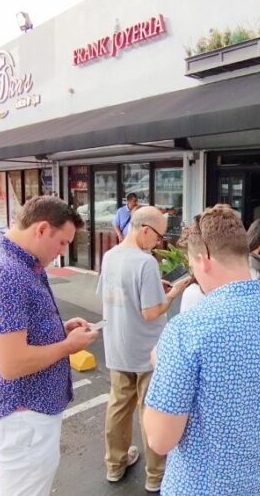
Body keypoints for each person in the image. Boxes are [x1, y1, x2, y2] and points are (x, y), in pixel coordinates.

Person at [143, 205, 260, 495]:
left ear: (204, 259)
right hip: (258, 485)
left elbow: (160, 439)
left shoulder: (186, 330)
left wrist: (164, 365)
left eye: (192, 266)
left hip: (196, 487)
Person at [0, 196, 101, 496]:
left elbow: (19, 332)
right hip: (23, 412)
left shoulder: (18, 264)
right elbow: (11, 363)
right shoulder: (7, 274)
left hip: (26, 411)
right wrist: (67, 346)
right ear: (41, 229)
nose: (63, 251)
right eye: (63, 242)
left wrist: (58, 331)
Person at [98, 206, 190, 493]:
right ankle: (155, 475)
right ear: (146, 229)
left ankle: (115, 465)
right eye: (159, 236)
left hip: (116, 345)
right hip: (147, 349)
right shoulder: (145, 262)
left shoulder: (110, 255)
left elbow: (109, 293)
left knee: (118, 406)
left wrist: (152, 288)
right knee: (150, 409)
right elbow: (151, 312)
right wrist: (173, 293)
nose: (159, 243)